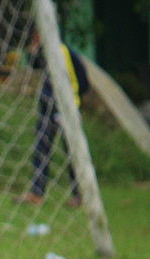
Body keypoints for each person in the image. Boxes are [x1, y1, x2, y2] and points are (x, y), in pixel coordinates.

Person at [20, 30, 89, 207]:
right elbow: (33, 65)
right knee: (41, 147)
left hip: (66, 110)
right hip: (47, 109)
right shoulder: (45, 54)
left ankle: (80, 195)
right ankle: (37, 193)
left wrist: (71, 100)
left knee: (73, 152)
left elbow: (83, 81)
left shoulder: (65, 52)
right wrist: (33, 49)